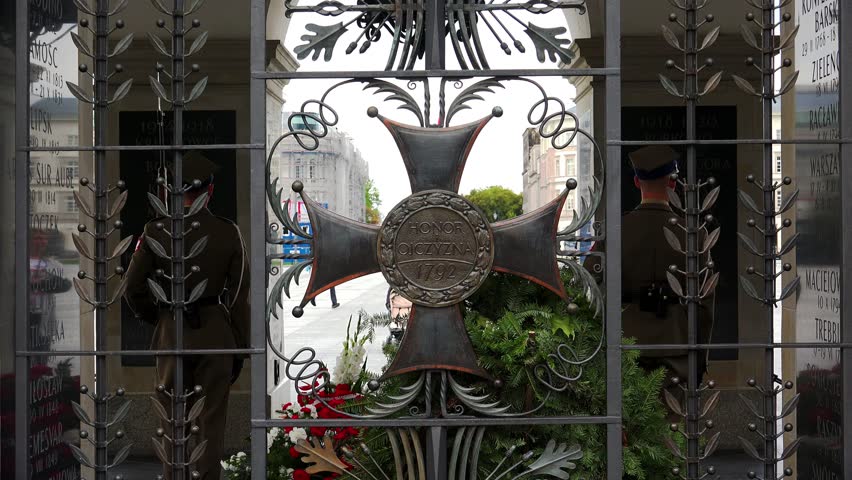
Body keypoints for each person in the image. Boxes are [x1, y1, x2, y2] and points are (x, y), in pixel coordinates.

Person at [124, 152, 249, 479]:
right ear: (210, 191)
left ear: (169, 193)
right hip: (216, 335)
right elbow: (238, 296)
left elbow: (132, 289)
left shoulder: (154, 231)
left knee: (172, 421)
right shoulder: (228, 232)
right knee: (211, 421)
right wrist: (238, 345)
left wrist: (162, 317)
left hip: (171, 333)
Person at [585, 145, 714, 399]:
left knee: (630, 430)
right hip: (676, 346)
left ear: (636, 182)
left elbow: (589, 281)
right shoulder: (694, 234)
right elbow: (705, 301)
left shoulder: (615, 231)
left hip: (625, 345)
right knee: (675, 430)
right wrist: (700, 357)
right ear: (673, 184)